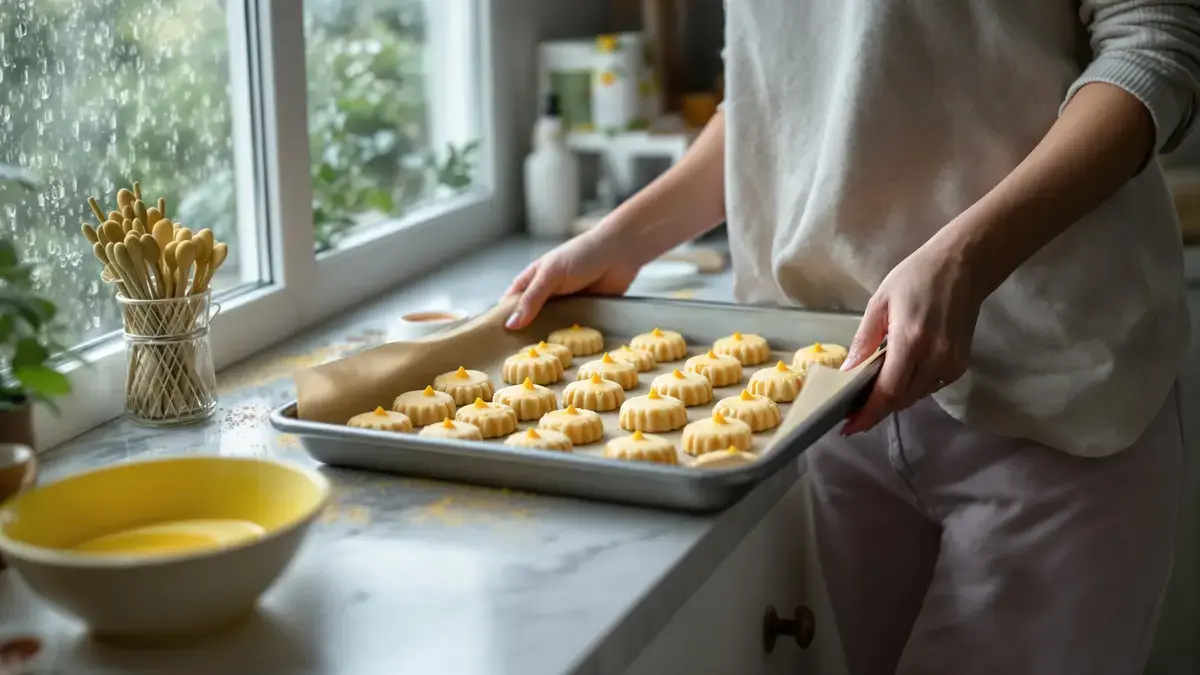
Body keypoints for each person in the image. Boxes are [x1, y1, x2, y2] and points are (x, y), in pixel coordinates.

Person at [506, 2, 1199, 674]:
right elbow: (774, 93)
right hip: (835, 399)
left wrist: (965, 257)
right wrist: (620, 239)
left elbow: (1155, 44)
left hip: (1049, 389)